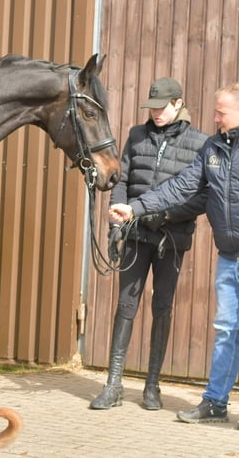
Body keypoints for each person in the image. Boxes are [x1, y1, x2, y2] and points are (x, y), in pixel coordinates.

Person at [110, 82, 239, 424]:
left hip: (184, 243)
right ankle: (216, 403)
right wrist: (135, 209)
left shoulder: (202, 142)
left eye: (221, 112)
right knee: (227, 329)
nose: (214, 118)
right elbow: (182, 186)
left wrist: (162, 216)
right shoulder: (213, 148)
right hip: (229, 256)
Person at [90, 78, 208, 411]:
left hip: (171, 239)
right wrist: (117, 219)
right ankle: (113, 385)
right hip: (135, 234)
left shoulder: (200, 143)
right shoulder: (137, 135)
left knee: (162, 307)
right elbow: (122, 180)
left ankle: (152, 386)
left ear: (178, 103)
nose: (155, 113)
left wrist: (166, 215)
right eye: (152, 107)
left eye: (161, 107)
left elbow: (201, 196)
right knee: (126, 306)